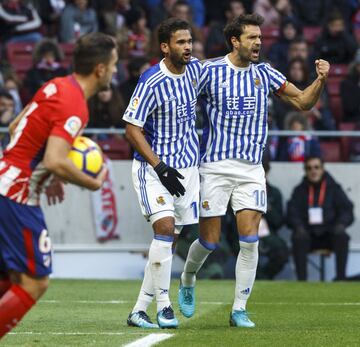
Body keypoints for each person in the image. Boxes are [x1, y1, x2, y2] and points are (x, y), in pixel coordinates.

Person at [178, 13, 330, 328]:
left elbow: (302, 102)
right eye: (251, 37)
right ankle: (188, 277)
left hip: (251, 169)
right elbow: (178, 93)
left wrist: (320, 80)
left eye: (260, 37)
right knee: (209, 241)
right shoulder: (209, 71)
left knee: (250, 241)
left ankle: (239, 309)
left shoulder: (266, 74)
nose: (258, 42)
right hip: (215, 167)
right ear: (235, 40)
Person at [0, 32, 117, 339]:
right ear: (100, 69)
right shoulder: (75, 104)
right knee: (35, 282)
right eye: (114, 64)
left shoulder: (55, 85)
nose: (116, 71)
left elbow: (15, 128)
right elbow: (54, 159)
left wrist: (48, 173)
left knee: (10, 278)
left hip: (4, 179)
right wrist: (92, 183)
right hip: (18, 194)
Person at [123, 18, 203, 329]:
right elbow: (132, 129)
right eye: (181, 42)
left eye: (190, 41)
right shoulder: (151, 81)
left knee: (168, 241)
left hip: (186, 169)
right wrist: (159, 166)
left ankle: (139, 309)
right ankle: (165, 306)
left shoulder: (195, 69)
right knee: (165, 231)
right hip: (154, 169)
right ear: (165, 47)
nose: (188, 47)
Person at [287, 156, 354, 281]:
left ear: (323, 169)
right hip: (308, 234)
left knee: (342, 236)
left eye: (317, 167)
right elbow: (292, 212)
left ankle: (341, 279)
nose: (313, 171)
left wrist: (341, 224)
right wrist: (299, 227)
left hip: (330, 233)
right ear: (305, 171)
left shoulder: (334, 188)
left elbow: (347, 209)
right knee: (298, 238)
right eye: (309, 168)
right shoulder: (299, 190)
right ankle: (302, 281)